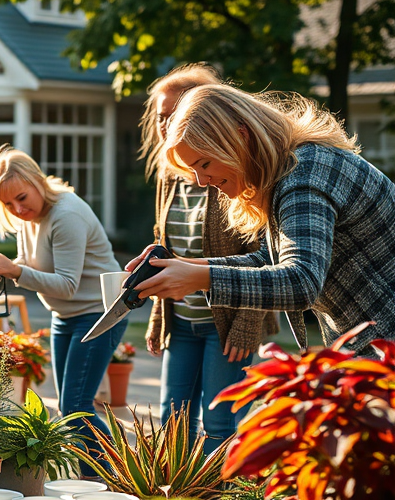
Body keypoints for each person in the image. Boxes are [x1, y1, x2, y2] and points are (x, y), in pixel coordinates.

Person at [131, 83, 395, 353]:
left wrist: (200, 277)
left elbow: (301, 282)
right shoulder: (291, 171)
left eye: (205, 164)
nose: (201, 181)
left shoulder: (304, 177)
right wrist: (181, 265)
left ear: (240, 137)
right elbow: (270, 260)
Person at [140, 65, 276, 453]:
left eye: (175, 113)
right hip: (181, 319)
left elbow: (262, 256)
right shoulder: (169, 177)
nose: (166, 125)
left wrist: (247, 326)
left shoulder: (233, 170)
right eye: (161, 117)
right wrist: (157, 313)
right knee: (173, 417)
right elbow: (163, 243)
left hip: (229, 324)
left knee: (219, 421)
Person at [0, 145, 124, 475]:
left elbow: (67, 285)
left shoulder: (66, 215)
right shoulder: (29, 217)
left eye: (22, 198)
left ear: (38, 182)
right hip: (66, 315)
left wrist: (14, 271)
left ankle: (110, 477)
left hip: (99, 314)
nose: (17, 209)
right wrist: (6, 266)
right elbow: (28, 265)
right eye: (8, 204)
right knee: (71, 404)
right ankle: (103, 475)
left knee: (75, 406)